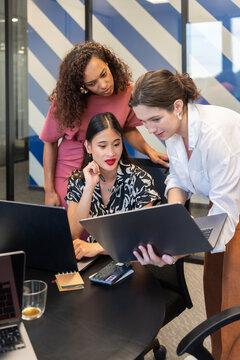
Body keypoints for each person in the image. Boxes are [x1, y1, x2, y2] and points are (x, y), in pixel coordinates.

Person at [129, 69, 240, 360]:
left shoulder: (216, 133)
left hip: (232, 212)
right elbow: (177, 180)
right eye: (144, 122)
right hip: (222, 213)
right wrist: (172, 225)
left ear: (178, 105)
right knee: (216, 300)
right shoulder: (175, 131)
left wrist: (180, 247)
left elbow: (226, 210)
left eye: (155, 119)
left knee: (234, 308)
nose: (150, 130)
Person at [39, 41, 168, 208]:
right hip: (70, 170)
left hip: (110, 167)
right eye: (91, 84)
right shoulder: (66, 101)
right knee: (75, 228)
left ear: (108, 64)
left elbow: (127, 128)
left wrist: (150, 151)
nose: (104, 85)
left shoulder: (128, 90)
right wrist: (49, 190)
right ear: (81, 85)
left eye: (104, 74)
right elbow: (50, 142)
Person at [65, 112, 161, 260]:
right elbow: (74, 233)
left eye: (116, 144)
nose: (111, 153)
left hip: (134, 260)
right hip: (96, 260)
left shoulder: (139, 179)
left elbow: (143, 237)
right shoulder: (79, 179)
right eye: (102, 146)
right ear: (88, 147)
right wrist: (89, 188)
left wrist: (97, 247)